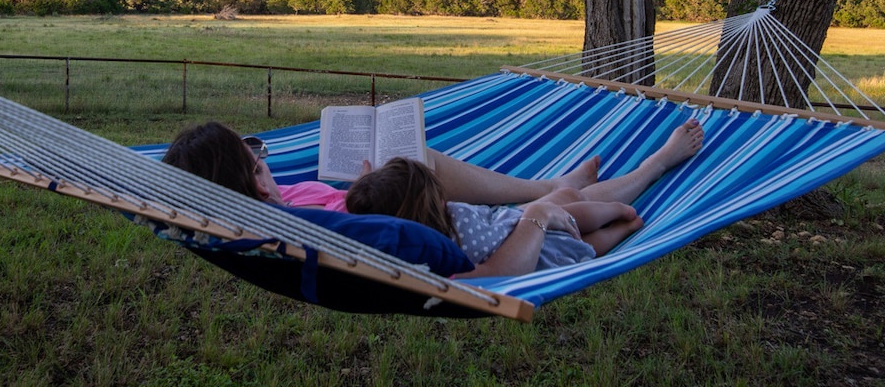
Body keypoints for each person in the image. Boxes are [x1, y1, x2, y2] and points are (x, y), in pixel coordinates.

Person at [162, 117, 703, 218]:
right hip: (443, 220)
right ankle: (658, 162)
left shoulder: (293, 197)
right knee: (565, 207)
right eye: (255, 154)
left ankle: (552, 188)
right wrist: (378, 184)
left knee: (416, 158)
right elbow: (368, 223)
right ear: (248, 176)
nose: (265, 158)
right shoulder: (291, 222)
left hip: (427, 203)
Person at [344, 157, 645, 277]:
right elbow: (500, 239)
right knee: (581, 231)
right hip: (533, 243)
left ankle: (617, 218)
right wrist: (535, 213)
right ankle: (623, 214)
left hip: (515, 225)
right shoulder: (455, 237)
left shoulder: (420, 238)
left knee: (583, 231)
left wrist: (367, 186)